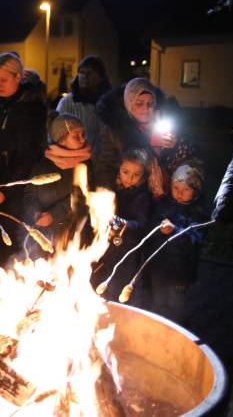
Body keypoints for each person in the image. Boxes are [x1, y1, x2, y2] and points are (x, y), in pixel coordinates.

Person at [0, 52, 47, 269]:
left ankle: (15, 288)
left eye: (4, 80)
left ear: (18, 77)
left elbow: (26, 157)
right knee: (0, 244)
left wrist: (5, 190)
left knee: (13, 249)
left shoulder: (30, 109)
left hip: (16, 189)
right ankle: (3, 287)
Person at [94, 77, 197, 197]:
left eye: (150, 103)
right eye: (139, 104)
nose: (146, 109)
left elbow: (189, 160)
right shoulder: (113, 131)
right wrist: (106, 194)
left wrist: (174, 148)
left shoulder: (166, 123)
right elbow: (105, 166)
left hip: (166, 196)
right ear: (129, 105)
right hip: (127, 195)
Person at [144, 162, 207, 325]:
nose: (179, 193)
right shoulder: (163, 204)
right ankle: (156, 328)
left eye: (186, 190)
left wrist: (174, 231)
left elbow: (195, 239)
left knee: (175, 304)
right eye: (176, 188)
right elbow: (151, 226)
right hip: (158, 266)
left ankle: (176, 328)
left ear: (195, 191)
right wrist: (159, 229)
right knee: (158, 301)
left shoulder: (198, 213)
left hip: (180, 271)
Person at [23, 113, 91, 257]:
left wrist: (53, 215)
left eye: (83, 134)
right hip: (43, 237)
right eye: (76, 135)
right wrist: (35, 212)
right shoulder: (42, 165)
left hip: (73, 236)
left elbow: (81, 199)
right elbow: (30, 194)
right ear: (61, 139)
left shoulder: (85, 165)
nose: (82, 139)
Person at [93, 149, 152, 305]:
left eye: (136, 175)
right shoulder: (113, 188)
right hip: (105, 249)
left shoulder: (143, 196)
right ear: (119, 169)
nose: (129, 178)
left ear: (143, 176)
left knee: (116, 288)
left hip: (126, 252)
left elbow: (141, 223)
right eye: (125, 172)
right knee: (97, 284)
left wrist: (121, 223)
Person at [55, 55, 112, 148]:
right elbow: (56, 133)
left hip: (106, 158)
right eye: (81, 72)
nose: (85, 76)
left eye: (90, 72)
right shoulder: (67, 103)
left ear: (101, 76)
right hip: (77, 157)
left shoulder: (110, 103)